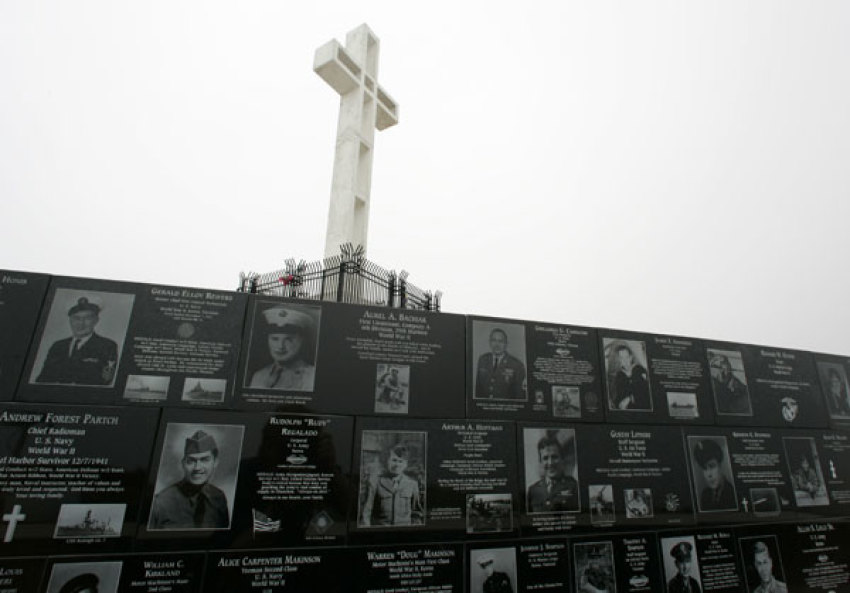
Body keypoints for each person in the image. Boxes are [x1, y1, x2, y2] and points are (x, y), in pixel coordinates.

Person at [149, 430, 230, 529]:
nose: (197, 467)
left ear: (215, 462)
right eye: (191, 461)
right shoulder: (161, 503)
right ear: (183, 463)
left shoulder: (219, 498)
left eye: (205, 460)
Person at [36, 297, 118, 385]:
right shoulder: (58, 346)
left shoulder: (107, 346)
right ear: (70, 321)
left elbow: (106, 381)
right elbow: (43, 379)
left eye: (87, 318)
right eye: (76, 318)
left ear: (96, 320)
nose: (81, 323)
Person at [249, 306, 316, 391]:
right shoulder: (259, 375)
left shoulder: (312, 376)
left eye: (288, 339)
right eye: (275, 339)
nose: (280, 346)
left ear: (301, 341)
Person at [360, 444, 423, 526]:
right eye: (394, 460)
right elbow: (366, 512)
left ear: (405, 464)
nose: (397, 465)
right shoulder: (375, 482)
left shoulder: (412, 484)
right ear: (387, 461)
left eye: (401, 461)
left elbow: (416, 512)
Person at [527, 434, 579, 513]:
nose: (550, 463)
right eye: (545, 458)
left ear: (562, 459)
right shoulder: (533, 490)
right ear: (540, 462)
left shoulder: (574, 486)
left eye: (554, 457)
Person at [475, 328, 526, 399]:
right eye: (494, 340)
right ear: (489, 342)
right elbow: (478, 391)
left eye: (501, 341)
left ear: (506, 344)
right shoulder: (482, 360)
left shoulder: (517, 365)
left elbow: (520, 396)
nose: (497, 344)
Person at [693, 439, 736, 511]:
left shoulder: (732, 493)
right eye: (704, 468)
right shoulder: (705, 495)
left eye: (712, 466)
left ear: (720, 466)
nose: (709, 474)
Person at [609, 343, 650, 410]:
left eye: (627, 357)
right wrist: (619, 403)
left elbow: (645, 391)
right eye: (622, 358)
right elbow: (619, 396)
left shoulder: (639, 369)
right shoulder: (619, 375)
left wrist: (630, 398)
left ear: (631, 357)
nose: (625, 361)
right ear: (619, 360)